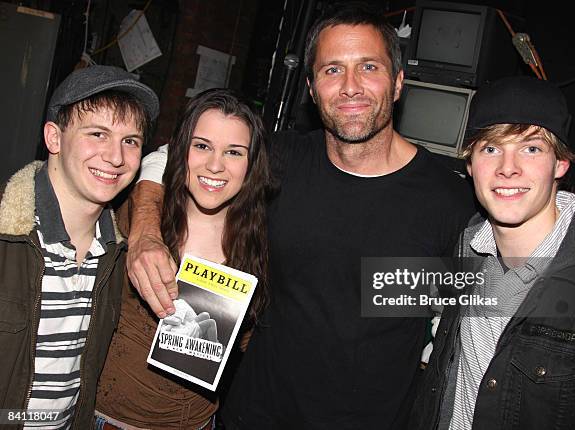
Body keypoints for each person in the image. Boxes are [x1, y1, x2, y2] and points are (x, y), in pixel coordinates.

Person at [124, 3, 475, 428]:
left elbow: (475, 321)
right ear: (311, 88)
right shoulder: (281, 159)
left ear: (399, 83)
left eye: (368, 67)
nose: (350, 87)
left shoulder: (451, 199)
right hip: (250, 416)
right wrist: (144, 230)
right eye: (331, 70)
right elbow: (176, 158)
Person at [410, 76, 575, 429]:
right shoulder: (465, 249)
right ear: (470, 164)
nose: (508, 168)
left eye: (531, 148)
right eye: (490, 148)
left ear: (560, 164)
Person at [95, 88, 271, 430]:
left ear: (252, 164)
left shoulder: (260, 243)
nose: (215, 165)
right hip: (105, 419)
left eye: (234, 152)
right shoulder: (134, 215)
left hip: (196, 423)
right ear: (180, 149)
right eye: (202, 146)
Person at [0, 65, 158, 429]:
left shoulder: (118, 257)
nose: (115, 157)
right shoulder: (9, 237)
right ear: (54, 138)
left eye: (130, 140)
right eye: (98, 134)